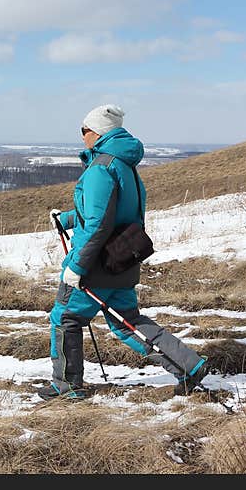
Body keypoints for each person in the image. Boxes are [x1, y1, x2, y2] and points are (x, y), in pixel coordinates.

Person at [38, 104, 208, 400]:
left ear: (98, 132)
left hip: (96, 263)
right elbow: (114, 214)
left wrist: (77, 267)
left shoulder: (100, 169)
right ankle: (189, 367)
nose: (82, 137)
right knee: (128, 323)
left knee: (66, 318)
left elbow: (98, 225)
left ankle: (66, 387)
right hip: (122, 260)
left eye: (84, 130)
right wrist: (67, 218)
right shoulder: (125, 166)